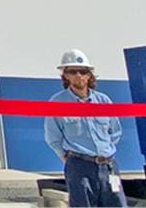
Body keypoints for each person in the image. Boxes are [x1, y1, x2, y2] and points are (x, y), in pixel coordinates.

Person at [44, 49, 126, 207]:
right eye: (73, 71)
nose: (78, 75)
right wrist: (68, 158)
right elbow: (53, 137)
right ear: (65, 75)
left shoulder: (103, 101)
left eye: (82, 71)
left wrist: (106, 151)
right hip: (80, 167)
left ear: (89, 75)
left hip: (108, 167)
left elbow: (115, 132)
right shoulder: (57, 103)